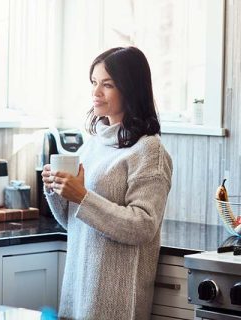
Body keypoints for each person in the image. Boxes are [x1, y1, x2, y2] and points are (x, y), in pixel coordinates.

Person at [42, 47, 173, 320]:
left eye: (108, 84)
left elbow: (143, 226)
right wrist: (57, 191)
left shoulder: (149, 151)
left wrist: (82, 196)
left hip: (116, 301)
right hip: (78, 293)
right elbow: (75, 223)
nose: (96, 92)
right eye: (94, 82)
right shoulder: (93, 144)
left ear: (130, 89)